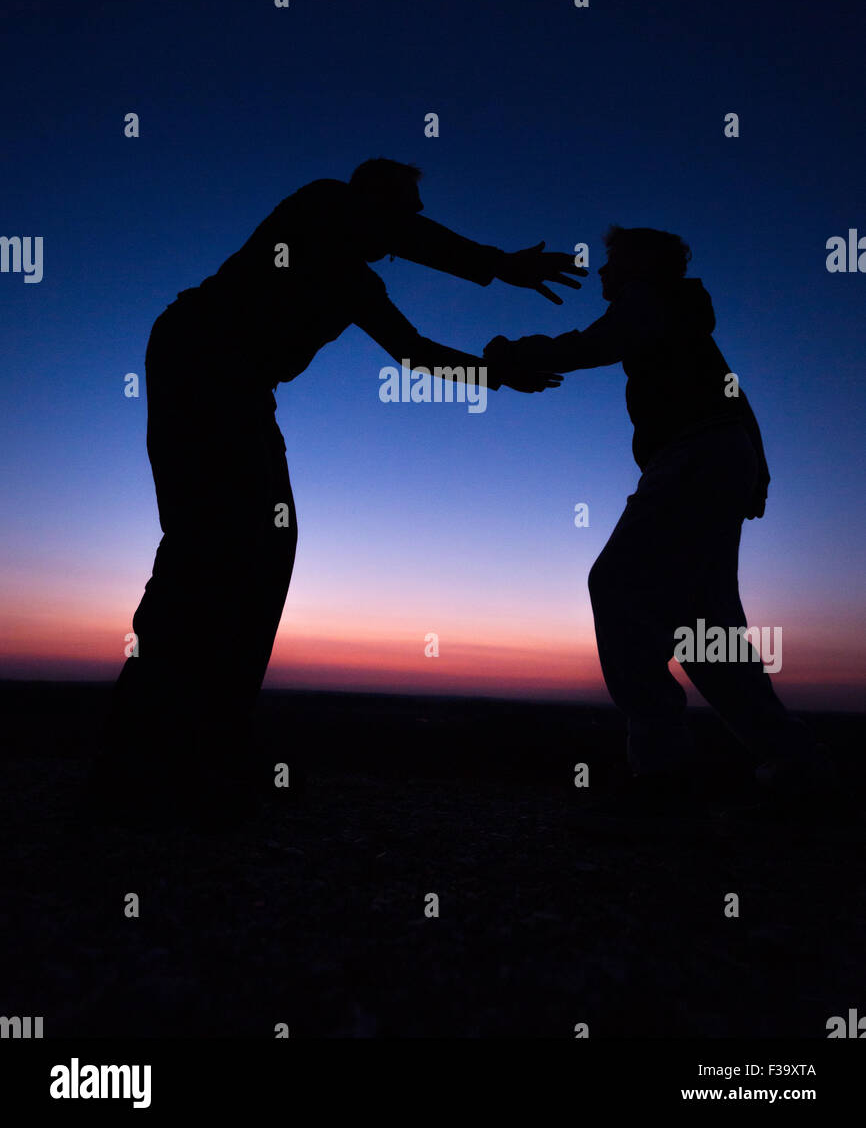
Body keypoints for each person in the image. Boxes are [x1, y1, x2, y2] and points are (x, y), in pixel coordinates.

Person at [90, 159, 575, 823]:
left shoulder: (356, 281)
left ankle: (211, 741)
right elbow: (410, 240)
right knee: (209, 544)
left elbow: (414, 353)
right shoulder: (318, 204)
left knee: (267, 543)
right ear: (369, 199)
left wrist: (496, 374)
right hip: (196, 355)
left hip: (243, 388)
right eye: (404, 210)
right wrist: (498, 264)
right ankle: (142, 754)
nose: (409, 225)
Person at [486, 225, 835, 807]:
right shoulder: (685, 320)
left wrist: (514, 353)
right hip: (717, 456)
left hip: (693, 456)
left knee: (621, 587)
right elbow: (733, 394)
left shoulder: (648, 301)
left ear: (643, 268)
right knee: (707, 628)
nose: (602, 272)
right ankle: (796, 767)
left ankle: (662, 776)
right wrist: (755, 468)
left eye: (612, 262)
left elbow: (597, 343)